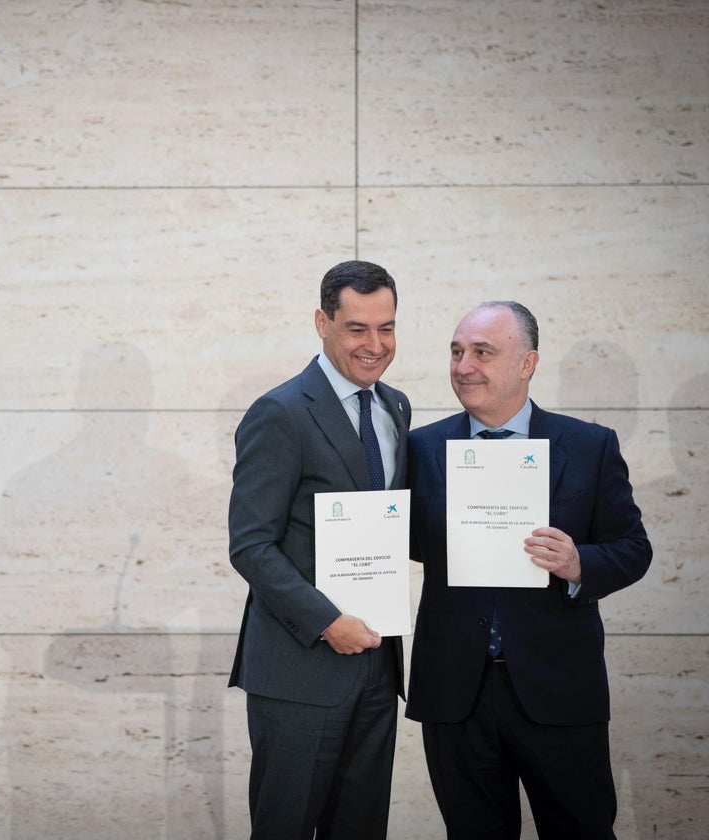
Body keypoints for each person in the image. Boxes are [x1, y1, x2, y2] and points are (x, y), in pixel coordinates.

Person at [405, 301, 652, 839]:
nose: (463, 365)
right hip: (456, 692)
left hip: (558, 688)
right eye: (456, 352)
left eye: (482, 352)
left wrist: (578, 562)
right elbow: (404, 541)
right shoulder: (420, 448)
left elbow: (633, 548)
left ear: (527, 363)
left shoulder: (589, 446)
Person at [228, 260, 410, 839]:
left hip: (378, 667)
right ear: (322, 322)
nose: (374, 344)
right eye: (357, 328)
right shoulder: (280, 412)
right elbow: (251, 546)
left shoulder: (396, 408)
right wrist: (328, 621)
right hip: (299, 671)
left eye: (386, 328)